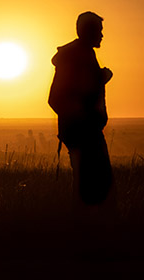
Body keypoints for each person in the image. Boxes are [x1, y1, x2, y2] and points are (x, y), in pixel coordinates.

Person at [48, 11, 115, 214]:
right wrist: (83, 119)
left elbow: (81, 88)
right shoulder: (76, 56)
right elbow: (56, 98)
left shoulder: (82, 54)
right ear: (89, 31)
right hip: (83, 133)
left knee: (90, 185)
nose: (102, 35)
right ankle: (86, 232)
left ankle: (85, 231)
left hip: (84, 131)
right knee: (92, 185)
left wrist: (99, 77)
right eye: (99, 31)